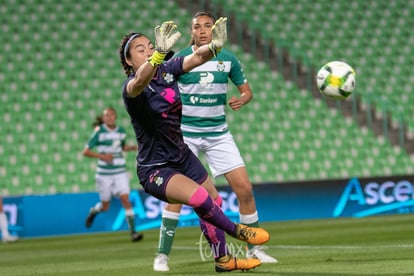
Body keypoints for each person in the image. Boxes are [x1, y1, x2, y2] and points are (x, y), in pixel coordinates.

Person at [119, 18, 270, 272]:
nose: (147, 51)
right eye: (140, 49)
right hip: (156, 167)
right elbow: (140, 82)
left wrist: (214, 46)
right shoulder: (131, 90)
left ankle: (223, 261)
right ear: (128, 61)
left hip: (182, 155)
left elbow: (195, 58)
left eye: (149, 45)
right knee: (199, 198)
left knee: (214, 199)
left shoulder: (167, 70)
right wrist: (156, 58)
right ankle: (239, 232)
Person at [83, 106, 143, 242]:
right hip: (104, 174)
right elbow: (85, 151)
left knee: (125, 199)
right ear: (103, 118)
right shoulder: (98, 132)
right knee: (105, 206)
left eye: (111, 115)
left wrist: (131, 147)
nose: (109, 117)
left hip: (120, 171)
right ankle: (94, 211)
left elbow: (120, 147)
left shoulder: (121, 131)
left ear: (115, 117)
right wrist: (102, 156)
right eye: (106, 115)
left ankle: (134, 232)